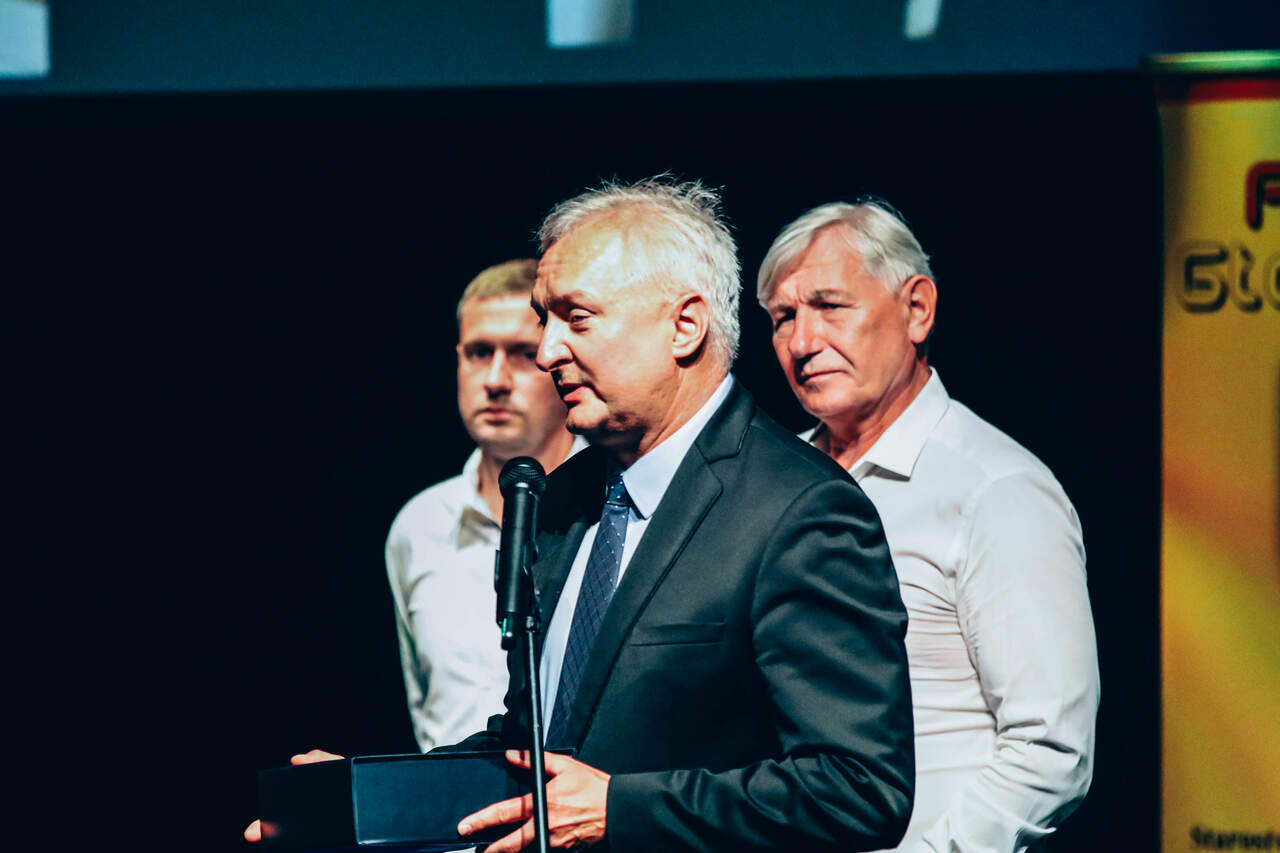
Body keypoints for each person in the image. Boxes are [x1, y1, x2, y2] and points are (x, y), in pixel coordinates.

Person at [448, 179, 915, 853]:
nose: (546, 350)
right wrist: (360, 792)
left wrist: (622, 809)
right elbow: (534, 747)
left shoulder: (800, 509)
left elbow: (859, 788)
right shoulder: (564, 497)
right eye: (545, 319)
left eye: (577, 318)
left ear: (685, 326)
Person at [757, 200, 1100, 852]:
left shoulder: (994, 489)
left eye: (829, 306)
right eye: (783, 318)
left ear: (917, 309)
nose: (802, 342)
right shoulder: (765, 482)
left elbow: (1051, 748)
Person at [386, 259, 581, 752]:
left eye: (522, 354)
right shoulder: (419, 525)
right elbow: (426, 713)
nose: (495, 380)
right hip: (447, 798)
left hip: (571, 797)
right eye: (478, 352)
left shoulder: (612, 507)